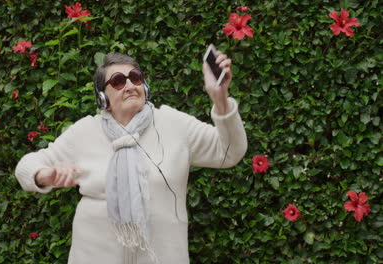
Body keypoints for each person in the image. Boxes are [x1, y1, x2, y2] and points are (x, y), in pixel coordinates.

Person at [15, 50, 247, 264]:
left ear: (144, 86)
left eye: (135, 77)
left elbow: (229, 152)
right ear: (102, 97)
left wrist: (220, 99)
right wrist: (45, 175)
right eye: (117, 81)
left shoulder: (174, 124)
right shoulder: (85, 131)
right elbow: (26, 167)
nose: (128, 85)